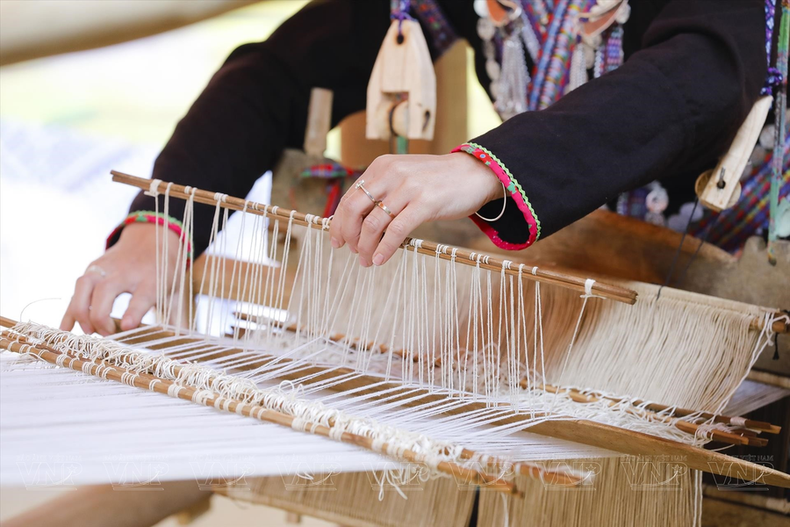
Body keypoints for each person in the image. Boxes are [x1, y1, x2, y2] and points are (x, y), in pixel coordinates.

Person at [61, 0, 774, 336]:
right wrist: (165, 224)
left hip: (753, 290)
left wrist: (485, 168)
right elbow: (278, 73)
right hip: (599, 293)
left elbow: (707, 74)